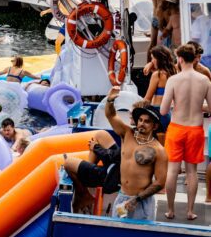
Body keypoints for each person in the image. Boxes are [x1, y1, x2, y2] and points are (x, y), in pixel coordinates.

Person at [160, 43, 211, 220]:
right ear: (195, 58)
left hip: (176, 129)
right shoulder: (205, 80)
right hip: (195, 129)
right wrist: (197, 106)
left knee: (172, 170)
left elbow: (163, 111)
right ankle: (190, 211)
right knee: (192, 172)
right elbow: (210, 108)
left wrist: (176, 104)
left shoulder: (173, 80)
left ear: (180, 59)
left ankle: (170, 210)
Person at [105, 89, 167, 221]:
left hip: (141, 202)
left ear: (154, 126)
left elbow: (160, 183)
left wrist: (137, 199)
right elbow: (111, 116)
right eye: (140, 120)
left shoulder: (159, 150)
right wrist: (110, 100)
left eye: (147, 121)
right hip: (122, 197)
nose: (142, 124)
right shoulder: (127, 134)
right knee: (117, 236)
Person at [63, 130, 120, 214]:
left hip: (111, 177)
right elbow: (118, 155)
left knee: (68, 163)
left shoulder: (134, 140)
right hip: (117, 164)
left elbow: (119, 156)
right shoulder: (138, 138)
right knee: (100, 134)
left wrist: (96, 148)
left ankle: (84, 194)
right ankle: (87, 177)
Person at [143, 45, 177, 131]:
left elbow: (147, 99)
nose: (152, 61)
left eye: (153, 58)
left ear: (159, 59)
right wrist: (151, 63)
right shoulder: (173, 72)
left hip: (157, 113)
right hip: (168, 113)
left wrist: (137, 112)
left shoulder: (157, 75)